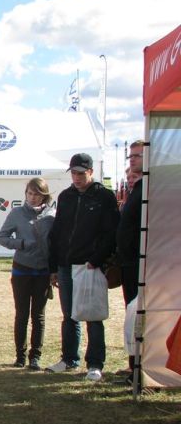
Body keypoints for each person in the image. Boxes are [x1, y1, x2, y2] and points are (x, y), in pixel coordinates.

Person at [46, 153, 120, 381]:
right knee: (69, 315)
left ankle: (95, 364)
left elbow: (111, 233)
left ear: (91, 172)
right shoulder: (66, 196)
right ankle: (69, 358)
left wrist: (96, 260)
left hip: (89, 266)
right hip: (66, 265)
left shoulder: (104, 197)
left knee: (92, 316)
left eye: (81, 173)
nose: (76, 178)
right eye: (74, 173)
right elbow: (57, 232)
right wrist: (54, 267)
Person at [0, 178, 56, 369]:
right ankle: (20, 356)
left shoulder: (52, 214)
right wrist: (20, 244)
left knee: (38, 315)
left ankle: (35, 357)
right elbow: (2, 237)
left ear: (44, 195)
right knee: (21, 314)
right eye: (29, 193)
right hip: (22, 269)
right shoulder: (17, 213)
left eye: (36, 194)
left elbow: (56, 243)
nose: (32, 197)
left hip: (43, 271)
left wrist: (54, 269)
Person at [115, 141, 145, 380]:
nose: (132, 160)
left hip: (142, 264)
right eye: (130, 157)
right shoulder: (137, 190)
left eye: (137, 156)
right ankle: (133, 365)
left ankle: (141, 368)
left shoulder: (150, 189)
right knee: (131, 317)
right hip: (128, 263)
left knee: (140, 318)